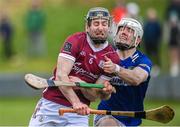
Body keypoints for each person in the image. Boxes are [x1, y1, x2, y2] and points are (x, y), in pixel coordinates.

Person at [28, 7, 119, 126]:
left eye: (104, 24)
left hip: (79, 114)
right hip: (51, 105)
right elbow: (61, 75)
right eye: (96, 23)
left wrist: (81, 85)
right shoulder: (75, 41)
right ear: (87, 26)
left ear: (109, 27)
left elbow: (92, 96)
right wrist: (75, 102)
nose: (100, 28)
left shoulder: (112, 58)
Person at [94, 18, 152, 126]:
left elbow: (136, 79)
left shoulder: (143, 61)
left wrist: (115, 69)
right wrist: (104, 92)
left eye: (129, 30)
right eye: (121, 29)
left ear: (138, 40)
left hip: (132, 120)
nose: (123, 32)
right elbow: (96, 93)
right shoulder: (105, 57)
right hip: (106, 115)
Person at [143, 8, 162, 77]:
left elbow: (159, 33)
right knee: (148, 55)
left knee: (156, 55)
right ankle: (149, 67)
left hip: (155, 42)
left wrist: (158, 40)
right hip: (147, 42)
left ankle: (157, 67)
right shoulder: (147, 24)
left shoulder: (156, 24)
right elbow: (144, 32)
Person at [165, 0, 180, 77]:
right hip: (171, 28)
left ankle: (177, 64)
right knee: (172, 47)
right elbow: (166, 17)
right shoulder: (170, 6)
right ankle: (173, 65)